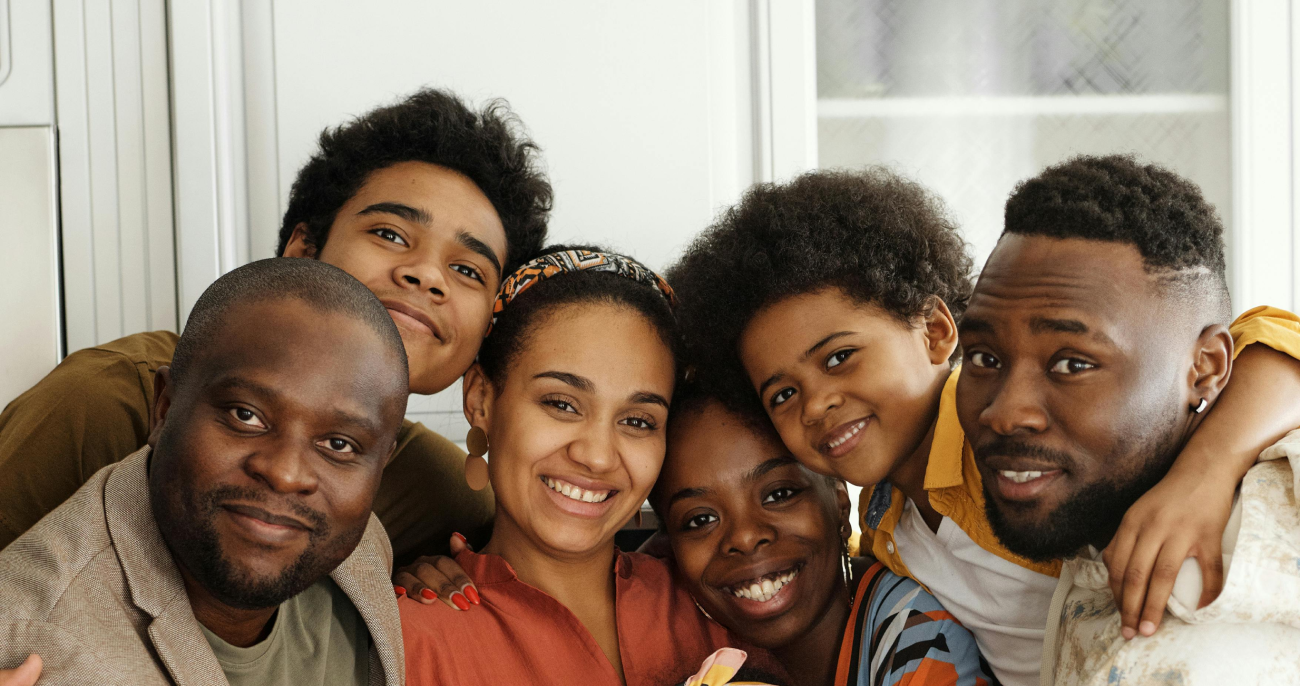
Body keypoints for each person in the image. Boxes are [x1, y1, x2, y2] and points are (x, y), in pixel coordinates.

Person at [664, 168, 1300, 685]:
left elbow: (1272, 336)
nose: (817, 405)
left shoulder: (1017, 446)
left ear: (939, 333)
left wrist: (1206, 470)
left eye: (839, 358)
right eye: (783, 393)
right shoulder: (886, 529)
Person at [0, 88, 551, 569]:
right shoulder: (109, 401)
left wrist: (415, 591)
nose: (426, 274)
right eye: (389, 234)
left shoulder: (446, 496)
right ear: (303, 250)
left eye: (466, 270)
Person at [955, 155, 1300, 685]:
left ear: (1205, 369)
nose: (1004, 413)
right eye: (983, 357)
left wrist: (1211, 465)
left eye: (1073, 364)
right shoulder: (1084, 518)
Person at [0, 258, 411, 684]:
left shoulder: (358, 549)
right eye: (245, 415)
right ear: (164, 408)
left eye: (338, 444)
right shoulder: (33, 643)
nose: (287, 474)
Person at [398, 246, 763, 686]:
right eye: (562, 404)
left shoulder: (721, 596)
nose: (597, 456)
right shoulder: (407, 640)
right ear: (480, 400)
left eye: (637, 421)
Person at [651, 378, 996, 686]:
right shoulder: (669, 628)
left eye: (779, 494)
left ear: (840, 502)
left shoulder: (919, 636)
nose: (744, 537)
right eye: (699, 520)